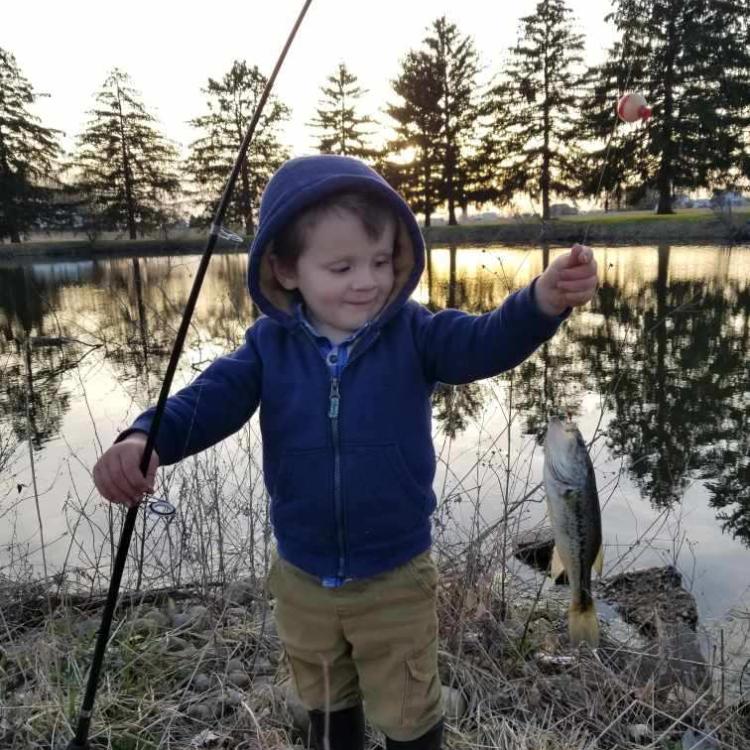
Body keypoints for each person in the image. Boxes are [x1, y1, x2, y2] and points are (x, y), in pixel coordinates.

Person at [93, 155, 598, 750]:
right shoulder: (267, 346)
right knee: (326, 706)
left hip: (396, 577)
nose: (367, 281)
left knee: (411, 712)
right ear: (284, 269)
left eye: (381, 261)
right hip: (302, 576)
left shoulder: (415, 332)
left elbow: (483, 342)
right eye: (341, 266)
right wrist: (143, 437)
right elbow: (206, 402)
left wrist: (539, 301)